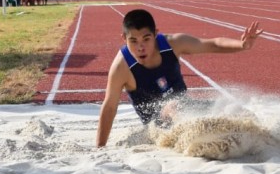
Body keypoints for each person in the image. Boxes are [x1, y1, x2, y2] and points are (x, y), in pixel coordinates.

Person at [96, 9, 263, 147]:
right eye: (133, 41)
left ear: (155, 34)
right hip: (157, 127)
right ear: (124, 39)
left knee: (234, 109)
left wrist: (242, 45)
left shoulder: (173, 44)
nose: (140, 47)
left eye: (146, 39)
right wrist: (100, 147)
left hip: (187, 110)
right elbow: (110, 107)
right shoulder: (121, 67)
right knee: (173, 105)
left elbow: (212, 44)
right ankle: (198, 138)